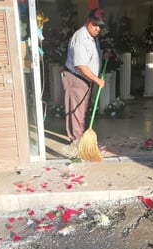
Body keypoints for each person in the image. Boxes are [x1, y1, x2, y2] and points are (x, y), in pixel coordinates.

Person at [61, 8, 106, 146]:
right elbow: (81, 65)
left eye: (100, 26)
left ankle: (80, 138)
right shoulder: (81, 37)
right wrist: (98, 80)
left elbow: (92, 56)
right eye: (95, 24)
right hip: (76, 79)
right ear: (88, 20)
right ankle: (76, 141)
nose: (97, 28)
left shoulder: (92, 36)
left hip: (85, 80)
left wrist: (104, 54)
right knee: (76, 112)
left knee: (82, 112)